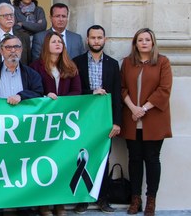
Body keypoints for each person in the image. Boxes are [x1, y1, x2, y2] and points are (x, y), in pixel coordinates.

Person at [120, 28, 172, 216]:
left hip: (154, 119)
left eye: (147, 40)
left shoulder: (163, 62)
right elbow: (122, 88)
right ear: (135, 43)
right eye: (140, 40)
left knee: (151, 159)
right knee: (134, 160)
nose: (143, 43)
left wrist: (143, 109)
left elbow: (164, 90)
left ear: (152, 42)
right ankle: (135, 199)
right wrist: (133, 108)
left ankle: (151, 200)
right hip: (132, 119)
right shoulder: (127, 63)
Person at [30, 31, 81, 216]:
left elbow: (77, 91)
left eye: (60, 41)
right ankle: (44, 203)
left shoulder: (71, 66)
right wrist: (45, 97)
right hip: (43, 122)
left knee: (61, 162)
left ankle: (59, 203)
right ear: (46, 45)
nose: (58, 44)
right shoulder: (36, 67)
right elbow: (32, 91)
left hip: (65, 122)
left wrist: (60, 100)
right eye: (54, 41)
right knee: (44, 163)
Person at [72, 25, 122, 214]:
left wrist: (117, 122)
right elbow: (75, 92)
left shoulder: (112, 64)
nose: (96, 41)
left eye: (99, 37)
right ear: (87, 40)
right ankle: (82, 199)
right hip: (83, 119)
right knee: (82, 158)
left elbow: (117, 95)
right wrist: (91, 93)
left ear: (105, 39)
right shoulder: (77, 62)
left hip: (105, 119)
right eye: (93, 38)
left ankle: (103, 199)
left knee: (103, 159)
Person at [0, 35, 43, 103]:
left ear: (21, 50)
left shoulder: (32, 74)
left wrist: (21, 96)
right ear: (1, 51)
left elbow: (38, 93)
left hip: (22, 112)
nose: (13, 50)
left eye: (16, 47)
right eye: (8, 47)